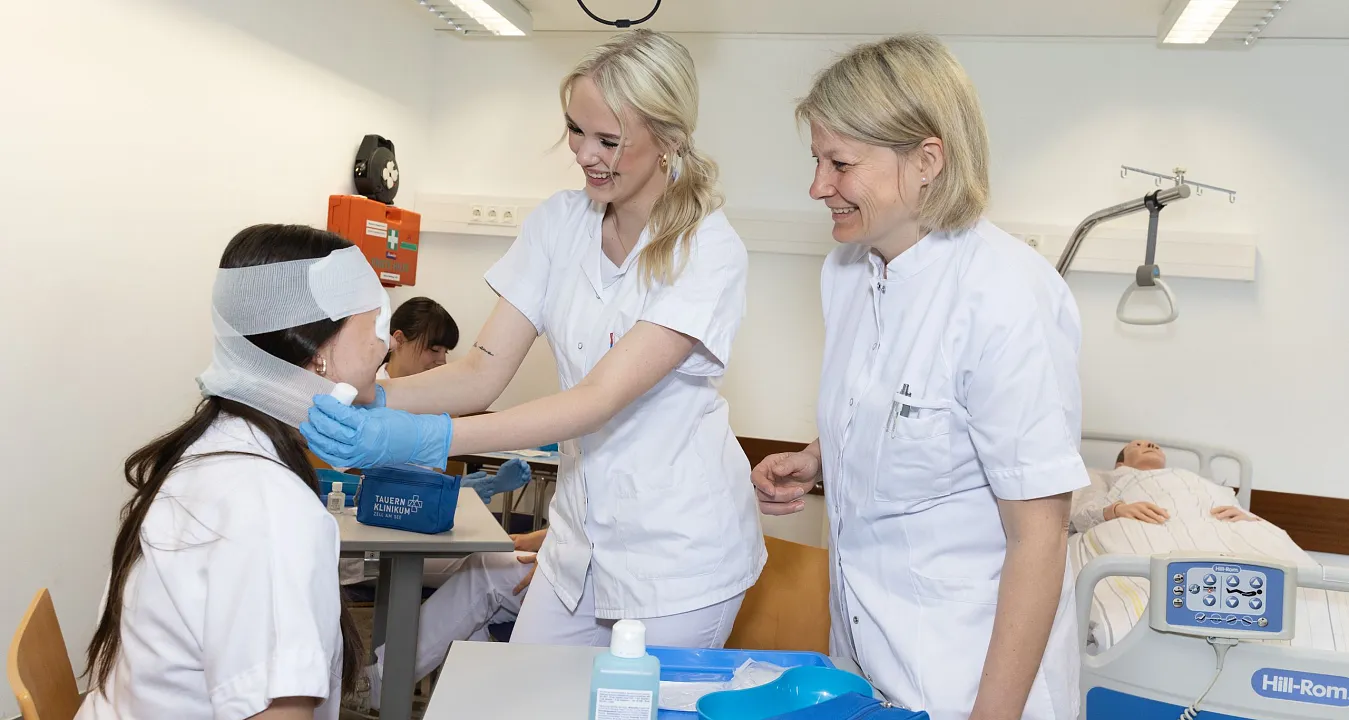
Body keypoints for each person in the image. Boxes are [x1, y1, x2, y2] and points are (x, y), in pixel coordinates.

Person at [301, 29, 765, 650]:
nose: (586, 154)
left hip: (680, 551)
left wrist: (430, 435)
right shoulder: (559, 223)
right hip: (578, 541)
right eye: (576, 130)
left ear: (669, 141)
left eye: (610, 140)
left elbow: (597, 399)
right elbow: (480, 371)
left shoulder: (706, 248)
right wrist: (378, 399)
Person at [751, 35, 1086, 720]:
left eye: (838, 163)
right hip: (862, 660)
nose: (817, 186)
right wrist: (819, 458)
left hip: (967, 680)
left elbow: (1039, 538)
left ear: (927, 160)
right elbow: (907, 413)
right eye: (816, 160)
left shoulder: (1004, 295)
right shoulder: (846, 271)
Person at [77, 225, 384, 720]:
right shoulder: (271, 509)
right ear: (319, 353)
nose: (383, 343)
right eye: (374, 322)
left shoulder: (215, 442)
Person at [1071, 440, 1259, 529]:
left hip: (1210, 525)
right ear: (1120, 464)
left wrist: (1247, 518)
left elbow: (1220, 501)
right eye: (1138, 445)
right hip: (1145, 525)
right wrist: (1117, 510)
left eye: (1155, 446)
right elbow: (1080, 516)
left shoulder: (1188, 479)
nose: (1151, 446)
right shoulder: (1107, 478)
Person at [382, 296, 460, 380]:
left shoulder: (442, 390)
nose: (442, 362)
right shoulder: (368, 389)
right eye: (434, 349)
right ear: (399, 340)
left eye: (446, 352)